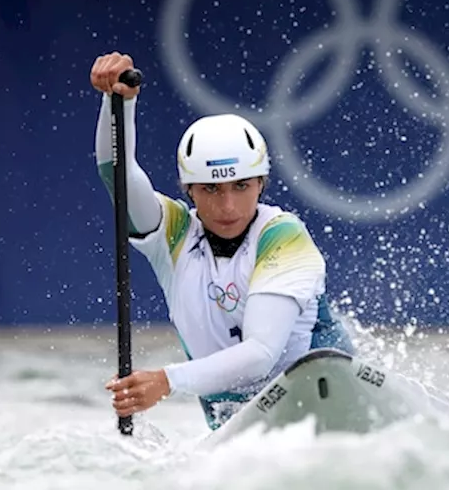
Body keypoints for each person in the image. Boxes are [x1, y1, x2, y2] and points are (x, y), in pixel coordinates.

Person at [89, 51, 354, 430]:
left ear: (261, 184)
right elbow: (116, 175)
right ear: (189, 190)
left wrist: (167, 381)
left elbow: (261, 353)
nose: (227, 205)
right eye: (211, 189)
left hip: (330, 408)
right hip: (233, 425)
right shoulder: (173, 234)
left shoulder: (283, 236)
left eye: (241, 186)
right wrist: (117, 103)